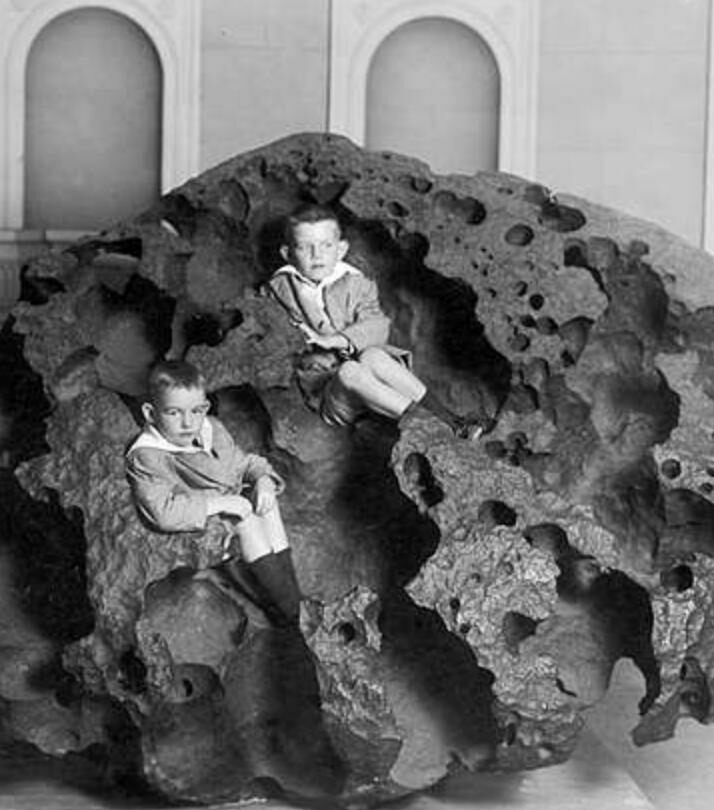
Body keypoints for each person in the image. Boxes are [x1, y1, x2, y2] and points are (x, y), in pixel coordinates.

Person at [266, 204, 484, 437]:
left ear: (341, 250)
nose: (316, 255)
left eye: (326, 246)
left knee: (373, 356)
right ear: (287, 254)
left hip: (377, 382)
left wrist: (334, 340)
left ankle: (451, 419)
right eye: (304, 247)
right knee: (349, 371)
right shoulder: (282, 286)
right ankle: (432, 423)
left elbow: (376, 325)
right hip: (330, 393)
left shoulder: (356, 283)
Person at [125, 360, 300, 625]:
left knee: (266, 500)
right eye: (174, 413)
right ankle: (291, 611)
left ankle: (285, 598)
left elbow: (241, 463)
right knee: (247, 520)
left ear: (205, 408)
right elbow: (163, 513)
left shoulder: (212, 428)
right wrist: (223, 503)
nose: (188, 423)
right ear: (150, 413)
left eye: (196, 411)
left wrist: (263, 479)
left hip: (225, 502)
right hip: (191, 518)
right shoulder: (147, 454)